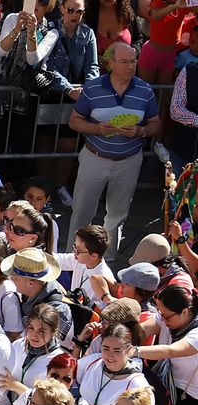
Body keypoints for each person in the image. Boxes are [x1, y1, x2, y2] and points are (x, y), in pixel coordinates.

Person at [68, 42, 160, 262]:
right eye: (125, 62)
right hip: (94, 157)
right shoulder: (92, 89)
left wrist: (141, 131)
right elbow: (74, 121)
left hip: (129, 160)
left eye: (134, 61)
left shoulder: (145, 91)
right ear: (110, 63)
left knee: (118, 214)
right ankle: (73, 257)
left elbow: (156, 123)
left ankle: (107, 259)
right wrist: (96, 129)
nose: (131, 66)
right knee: (82, 211)